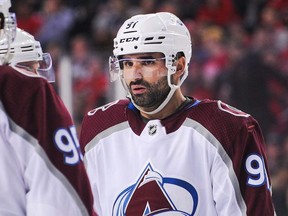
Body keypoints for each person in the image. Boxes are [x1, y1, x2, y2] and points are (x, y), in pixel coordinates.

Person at [79, 12, 276, 215]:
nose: (135, 75)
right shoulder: (99, 127)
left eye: (147, 62)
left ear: (179, 66)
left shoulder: (226, 128)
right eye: (128, 63)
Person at [0, 1, 95, 215]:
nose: (34, 76)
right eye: (26, 69)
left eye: (35, 68)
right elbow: (65, 200)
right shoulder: (26, 93)